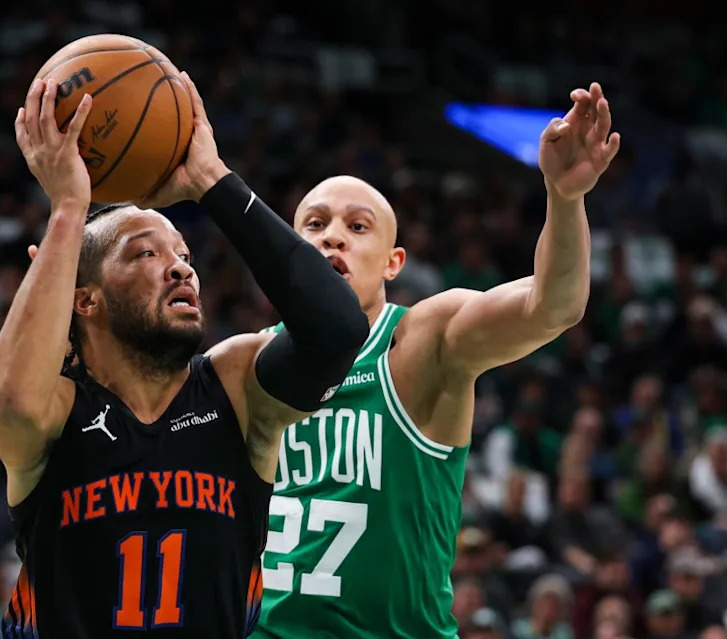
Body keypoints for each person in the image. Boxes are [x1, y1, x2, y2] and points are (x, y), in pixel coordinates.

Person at [0, 73, 368, 638]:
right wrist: (69, 210)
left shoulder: (234, 390)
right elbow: (13, 406)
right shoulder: (57, 411)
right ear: (84, 299)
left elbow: (337, 330)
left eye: (184, 254)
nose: (181, 267)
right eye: (144, 253)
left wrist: (212, 181)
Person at [255, 82, 621, 638]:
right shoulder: (246, 364)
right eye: (315, 225)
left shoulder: (421, 341)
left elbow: (552, 307)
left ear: (392, 262)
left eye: (357, 227)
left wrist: (565, 199)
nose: (333, 238)